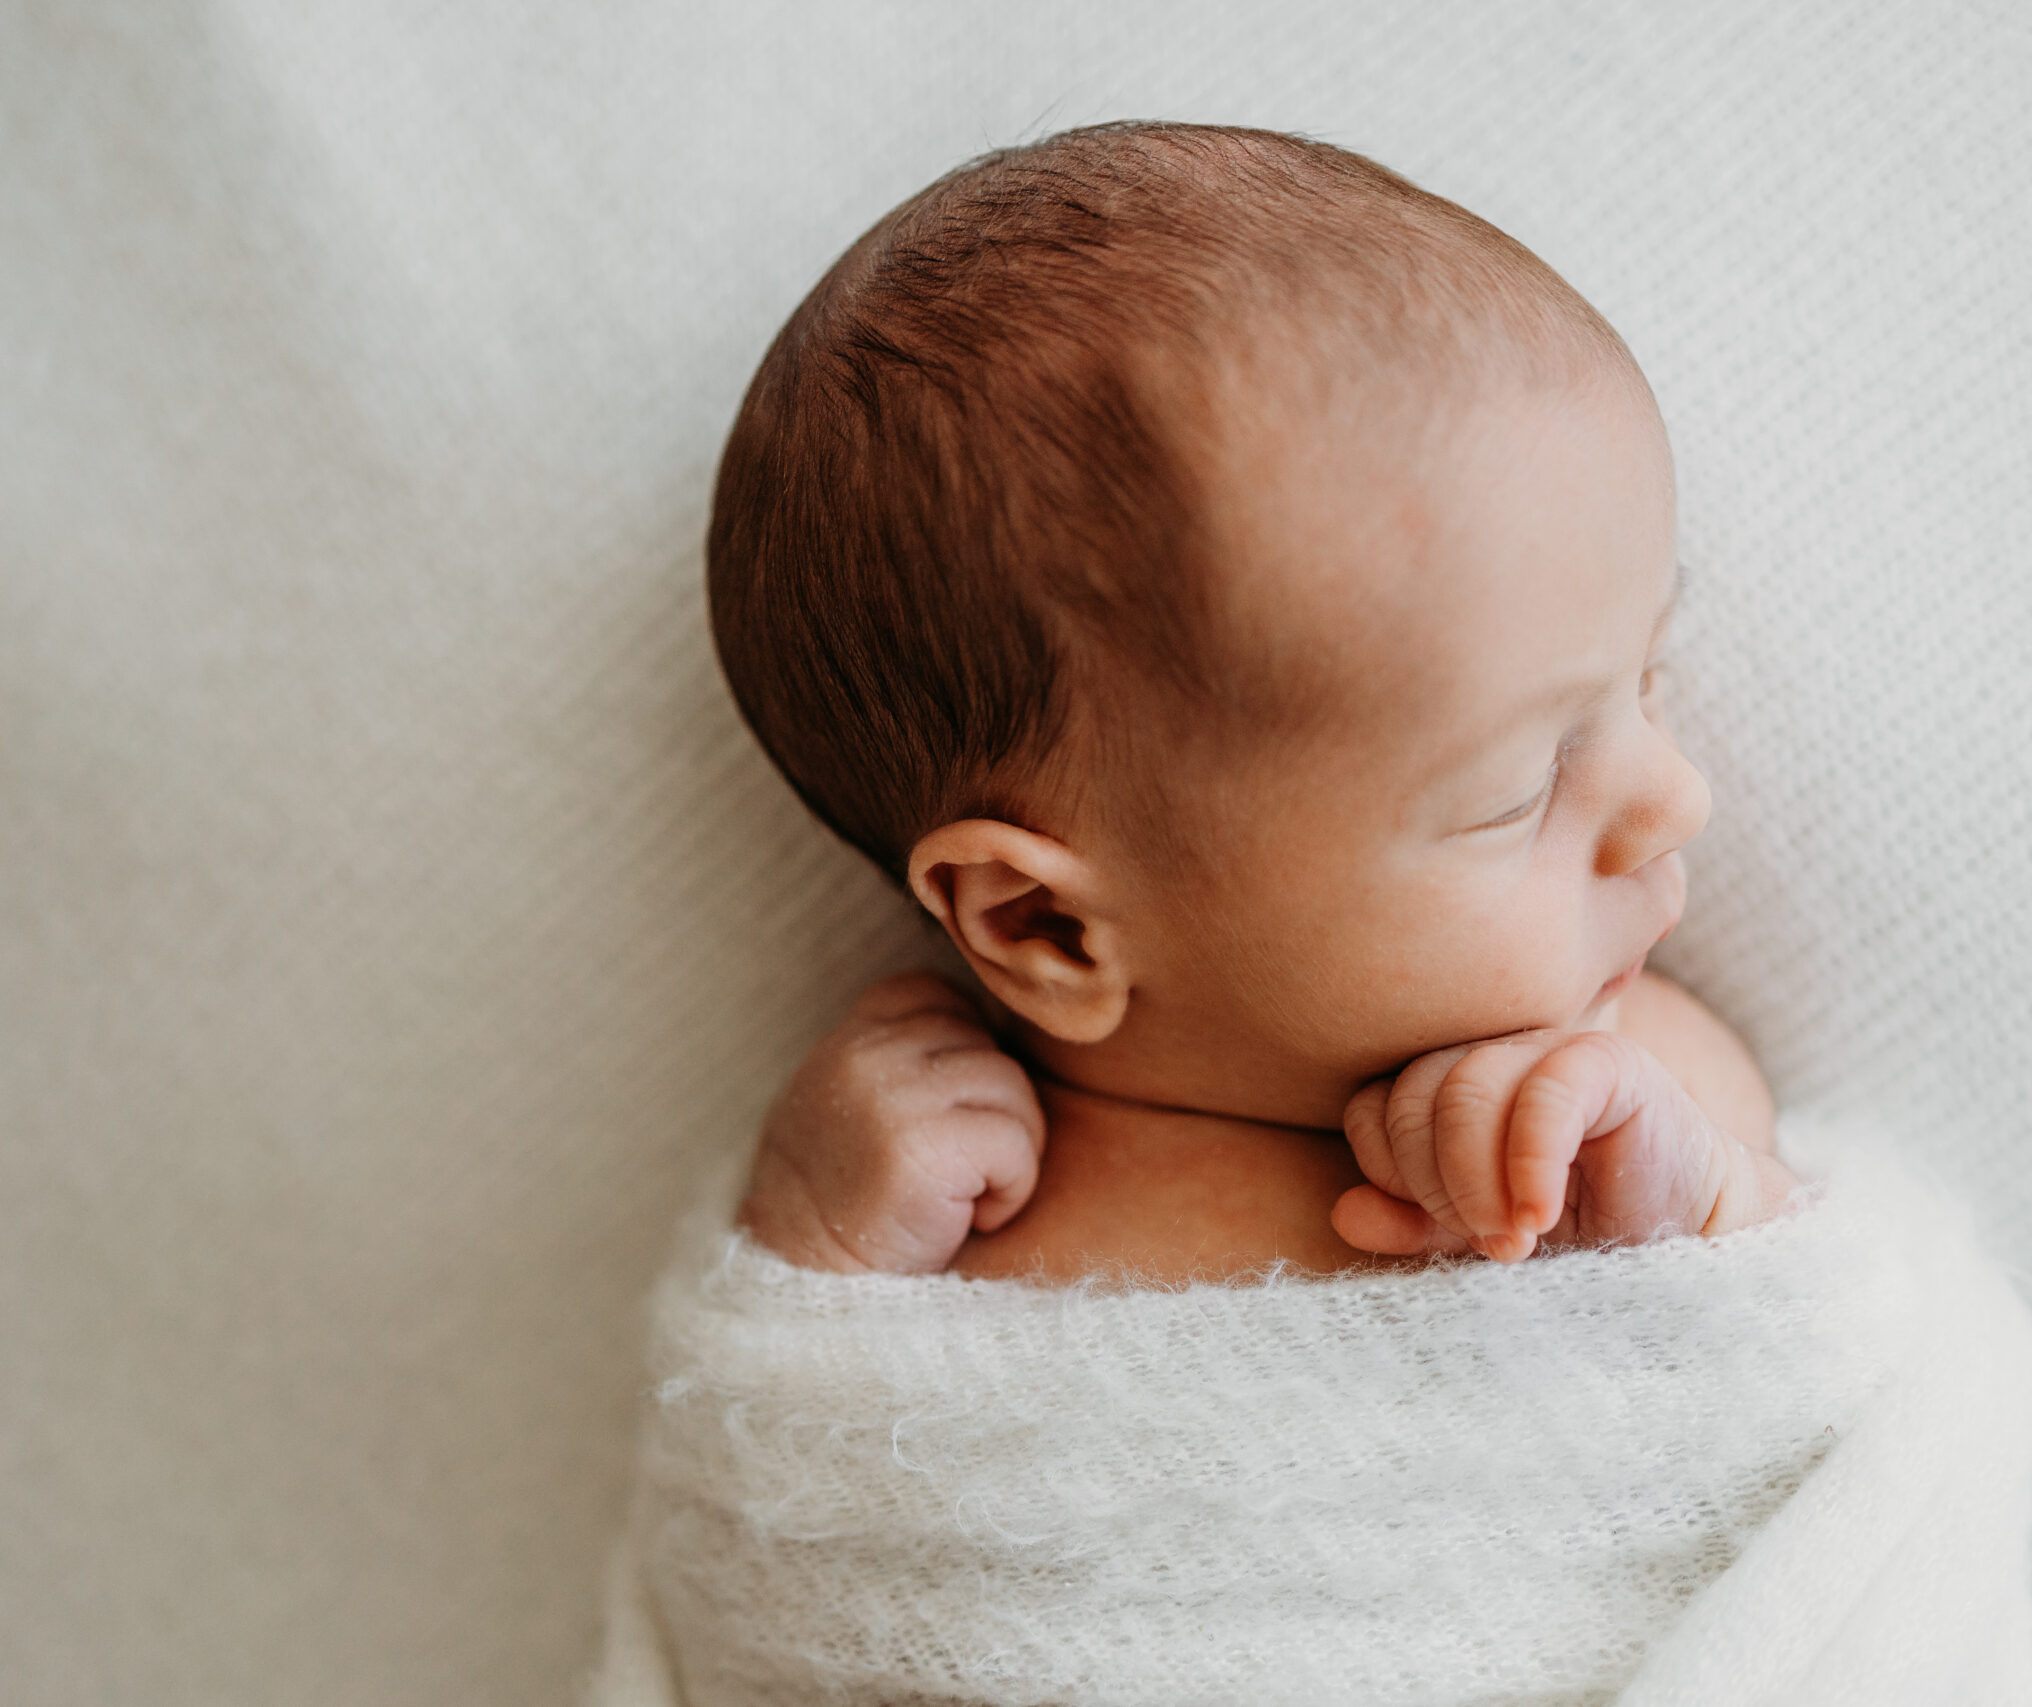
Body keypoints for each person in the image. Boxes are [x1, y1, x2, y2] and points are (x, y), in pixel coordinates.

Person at [709, 119, 1797, 1287]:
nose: (1675, 799)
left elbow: (1835, 1372)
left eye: (1649, 678)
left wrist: (1696, 1210)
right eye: (1520, 790)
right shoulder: (911, 1200)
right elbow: (758, 1461)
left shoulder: (1635, 1095)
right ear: (1045, 926)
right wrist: (808, 1254)